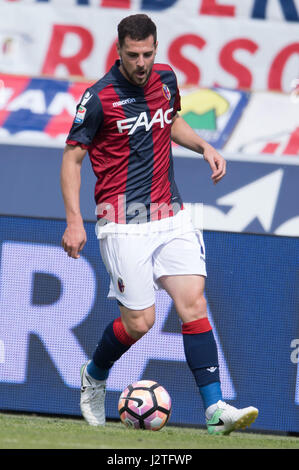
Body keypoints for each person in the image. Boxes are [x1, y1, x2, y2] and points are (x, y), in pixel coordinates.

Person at [60, 13, 258, 435]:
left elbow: (172, 122)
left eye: (148, 53)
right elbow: (71, 158)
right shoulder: (98, 98)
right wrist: (74, 222)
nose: (142, 63)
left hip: (170, 212)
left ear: (156, 48)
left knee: (194, 304)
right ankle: (94, 376)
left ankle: (214, 409)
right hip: (121, 221)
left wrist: (204, 146)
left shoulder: (166, 79)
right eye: (133, 55)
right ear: (118, 51)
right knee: (141, 323)